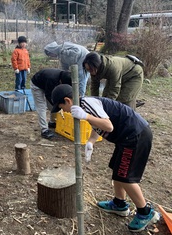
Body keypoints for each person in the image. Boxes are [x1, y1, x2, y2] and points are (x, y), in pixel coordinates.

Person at [51, 84, 160, 233]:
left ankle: (145, 212)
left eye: (62, 107)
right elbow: (98, 123)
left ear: (67, 100)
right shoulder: (83, 105)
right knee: (117, 170)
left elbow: (108, 126)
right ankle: (119, 204)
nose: (63, 111)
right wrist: (91, 141)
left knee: (125, 177)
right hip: (126, 138)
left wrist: (86, 116)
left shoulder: (86, 105)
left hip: (135, 136)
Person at [30, 68, 71, 139]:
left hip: (46, 83)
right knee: (41, 107)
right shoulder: (52, 79)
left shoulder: (66, 77)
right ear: (61, 81)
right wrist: (58, 105)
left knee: (52, 106)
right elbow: (48, 95)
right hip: (37, 84)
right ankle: (44, 130)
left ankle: (52, 122)